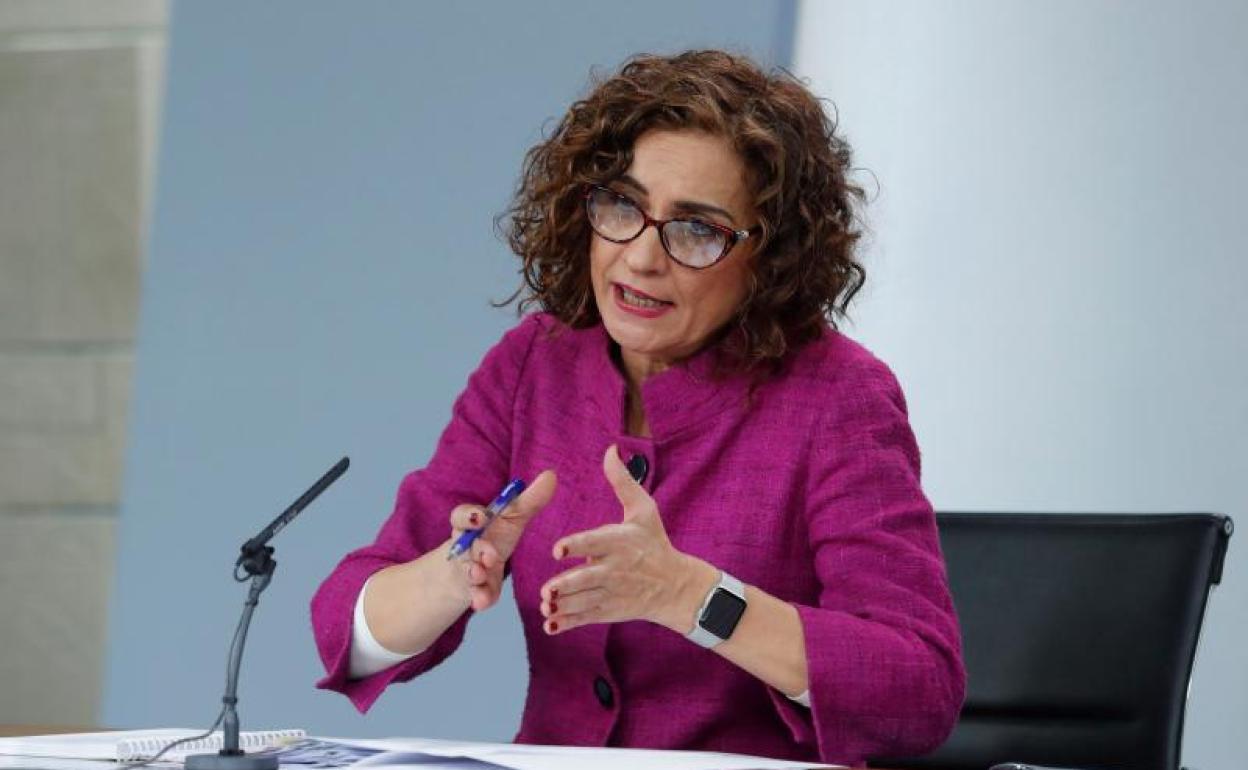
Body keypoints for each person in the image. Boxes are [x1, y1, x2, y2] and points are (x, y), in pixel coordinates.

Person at [311, 49, 964, 766]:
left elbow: (918, 688)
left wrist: (693, 596)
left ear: (772, 258)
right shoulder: (535, 364)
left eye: (697, 230)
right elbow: (347, 626)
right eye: (623, 205)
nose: (643, 258)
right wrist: (449, 574)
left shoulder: (838, 396)